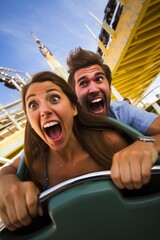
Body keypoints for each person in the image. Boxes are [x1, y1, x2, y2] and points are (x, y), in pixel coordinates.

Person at [0, 71, 158, 231]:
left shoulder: (109, 141)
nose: (44, 110)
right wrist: (5, 183)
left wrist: (147, 144)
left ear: (74, 108)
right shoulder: (34, 165)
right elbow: (8, 170)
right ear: (30, 122)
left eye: (54, 98)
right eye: (33, 104)